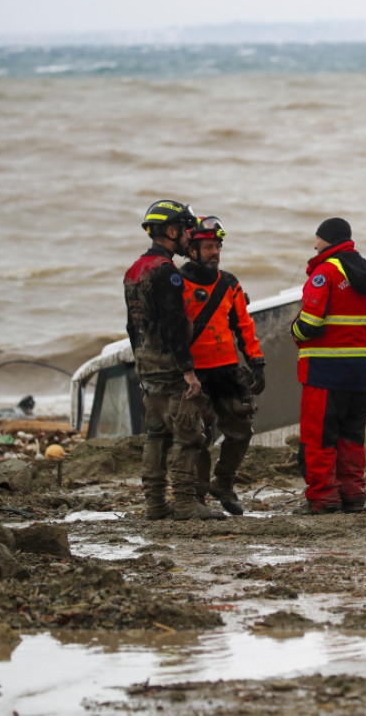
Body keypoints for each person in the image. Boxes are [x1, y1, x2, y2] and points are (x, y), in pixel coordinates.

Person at [124, 200, 224, 521]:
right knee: (188, 434)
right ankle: (183, 502)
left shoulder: (134, 270)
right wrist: (189, 372)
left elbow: (132, 325)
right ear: (170, 231)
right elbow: (174, 326)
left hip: (145, 363)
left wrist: (141, 357)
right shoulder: (168, 273)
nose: (189, 236)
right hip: (170, 366)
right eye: (185, 230)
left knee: (155, 435)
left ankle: (155, 505)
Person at [290, 217, 366, 514]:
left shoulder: (325, 272)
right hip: (360, 372)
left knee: (319, 438)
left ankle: (323, 500)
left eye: (318, 239)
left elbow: (309, 322)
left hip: (324, 373)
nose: (314, 244)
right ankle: (353, 497)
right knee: (352, 437)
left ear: (331, 240)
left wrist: (294, 331)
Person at [180, 215, 266, 516]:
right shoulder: (177, 283)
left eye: (218, 246)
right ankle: (199, 494)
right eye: (208, 247)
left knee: (242, 429)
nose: (215, 252)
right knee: (198, 436)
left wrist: (256, 362)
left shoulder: (230, 283)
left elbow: (244, 326)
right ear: (192, 250)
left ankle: (224, 483)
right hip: (194, 374)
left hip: (228, 369)